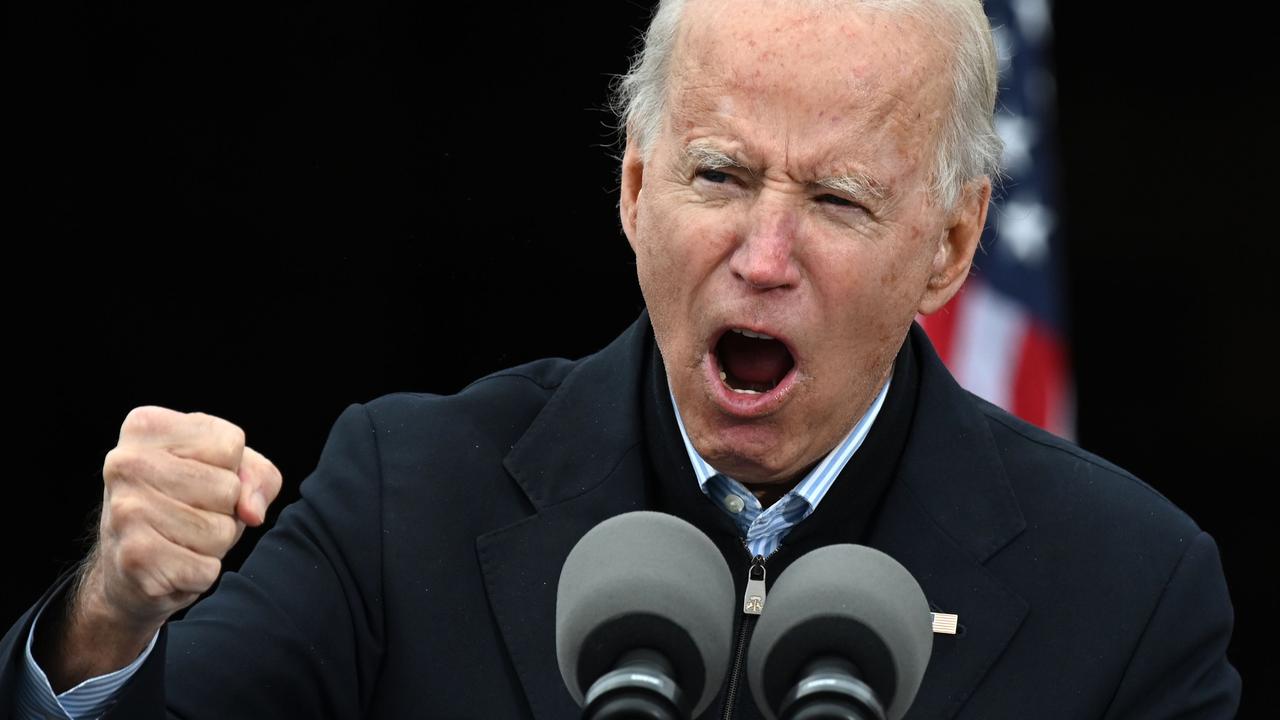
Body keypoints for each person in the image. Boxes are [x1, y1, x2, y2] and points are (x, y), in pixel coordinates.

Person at [1, 0, 1241, 718]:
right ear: (635, 188)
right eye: (718, 174)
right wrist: (111, 617)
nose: (763, 255)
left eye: (838, 201)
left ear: (951, 245)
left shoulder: (1127, 591)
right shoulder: (406, 495)